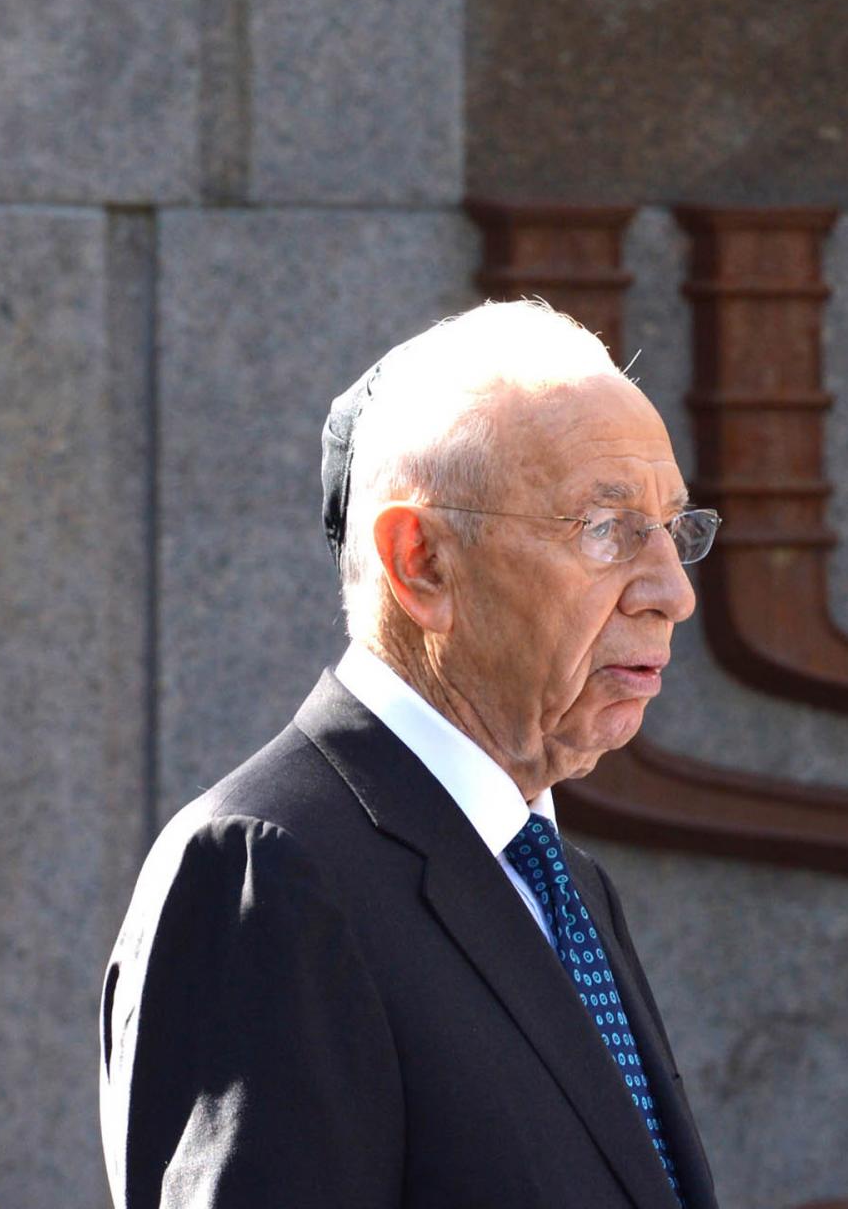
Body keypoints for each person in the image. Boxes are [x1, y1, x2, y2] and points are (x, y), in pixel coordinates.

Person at [99, 300, 721, 1209]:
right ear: (421, 562)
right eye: (606, 528)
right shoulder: (268, 871)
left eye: (675, 529)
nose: (673, 591)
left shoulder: (566, 885)